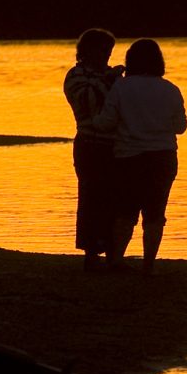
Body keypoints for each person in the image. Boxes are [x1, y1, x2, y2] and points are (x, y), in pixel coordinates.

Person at [90, 38, 187, 275]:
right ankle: (149, 264)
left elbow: (106, 122)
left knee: (125, 212)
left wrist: (89, 121)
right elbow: (180, 127)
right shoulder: (171, 89)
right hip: (163, 157)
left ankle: (116, 259)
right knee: (155, 214)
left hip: (129, 157)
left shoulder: (122, 88)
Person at [62, 28, 123, 270]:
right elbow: (85, 101)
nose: (107, 55)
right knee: (91, 197)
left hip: (115, 146)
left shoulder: (110, 75)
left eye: (109, 51)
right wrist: (107, 81)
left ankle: (111, 251)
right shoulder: (76, 75)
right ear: (88, 51)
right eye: (103, 50)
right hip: (89, 144)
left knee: (115, 198)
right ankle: (90, 253)